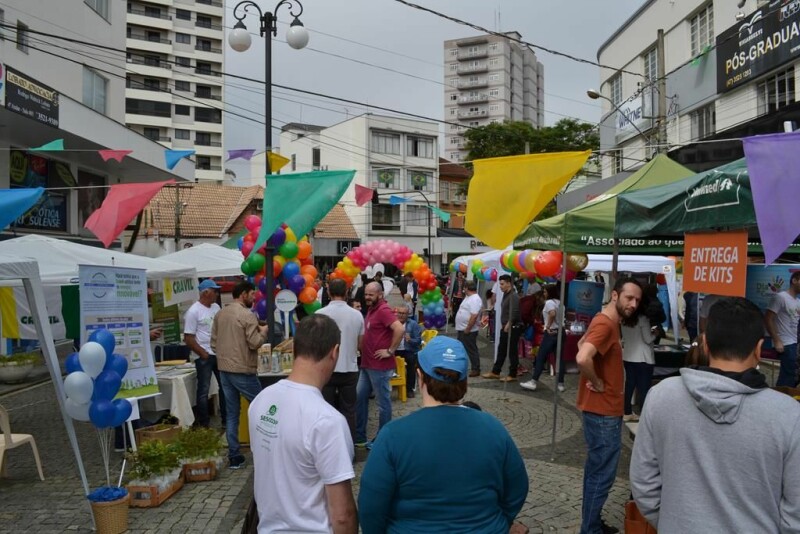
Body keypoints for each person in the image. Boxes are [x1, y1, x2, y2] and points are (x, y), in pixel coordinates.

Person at [630, 297, 800, 532]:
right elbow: (796, 510)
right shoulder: (789, 414)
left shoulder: (661, 396)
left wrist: (675, 523)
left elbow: (643, 482)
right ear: (759, 349)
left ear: (705, 344)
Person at [358, 336, 529, 533]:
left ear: (420, 377)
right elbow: (517, 488)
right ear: (464, 381)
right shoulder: (493, 428)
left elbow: (371, 507)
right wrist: (497, 521)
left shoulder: (392, 435)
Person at [248, 314, 358, 534]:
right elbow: (343, 516)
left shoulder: (261, 400)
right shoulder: (328, 420)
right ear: (335, 352)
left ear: (295, 348)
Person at [575, 277, 642, 534]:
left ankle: (591, 523)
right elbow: (582, 356)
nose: (633, 304)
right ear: (615, 295)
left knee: (597, 472)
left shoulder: (605, 320)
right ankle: (590, 529)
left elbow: (582, 344)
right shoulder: (606, 323)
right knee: (602, 475)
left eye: (637, 300)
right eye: (629, 298)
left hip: (601, 410)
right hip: (603, 412)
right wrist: (598, 382)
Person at [211, 280, 268, 469]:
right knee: (262, 407)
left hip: (224, 369)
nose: (254, 298)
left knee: (232, 413)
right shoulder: (247, 315)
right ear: (243, 294)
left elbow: (213, 343)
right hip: (242, 369)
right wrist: (264, 332)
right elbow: (254, 343)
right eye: (252, 294)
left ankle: (234, 455)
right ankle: (268, 449)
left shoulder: (220, 313)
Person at [355, 281, 405, 448]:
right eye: (366, 294)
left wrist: (390, 351)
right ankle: (360, 436)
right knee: (359, 397)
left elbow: (399, 329)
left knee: (383, 405)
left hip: (380, 367)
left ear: (380, 295)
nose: (367, 297)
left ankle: (383, 439)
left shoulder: (383, 309)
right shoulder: (372, 309)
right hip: (367, 365)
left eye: (371, 294)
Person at [316, 278, 364, 441]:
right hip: (349, 369)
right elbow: (360, 344)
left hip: (326, 370)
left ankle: (328, 447)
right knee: (349, 411)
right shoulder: (357, 315)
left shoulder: (319, 314)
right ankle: (349, 447)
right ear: (346, 292)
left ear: (328, 292)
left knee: (326, 410)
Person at [183, 279, 226, 428]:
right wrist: (203, 354)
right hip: (205, 355)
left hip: (218, 353)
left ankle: (226, 419)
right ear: (206, 292)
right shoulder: (193, 311)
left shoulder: (216, 307)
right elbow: (188, 338)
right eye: (215, 291)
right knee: (203, 390)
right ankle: (204, 423)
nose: (217, 293)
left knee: (224, 387)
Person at [521, 283, 566, 392]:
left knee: (541, 356)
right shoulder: (560, 303)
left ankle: (534, 381)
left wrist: (547, 326)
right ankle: (560, 383)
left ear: (550, 292)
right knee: (559, 358)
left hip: (551, 333)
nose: (544, 294)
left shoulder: (549, 302)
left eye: (545, 292)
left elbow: (552, 313)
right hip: (561, 331)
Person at [764, 270, 800, 386]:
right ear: (794, 280)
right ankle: (783, 398)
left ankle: (787, 397)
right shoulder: (780, 297)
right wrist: (776, 340)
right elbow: (768, 318)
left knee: (794, 374)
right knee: (789, 375)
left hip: (795, 342)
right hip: (785, 343)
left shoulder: (798, 301)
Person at [483, 274, 522, 382]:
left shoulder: (513, 295)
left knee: (512, 351)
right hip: (506, 326)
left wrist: (509, 324)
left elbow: (514, 311)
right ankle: (496, 371)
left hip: (512, 327)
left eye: (502, 284)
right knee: (502, 350)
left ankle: (513, 373)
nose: (500, 286)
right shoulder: (506, 294)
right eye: (500, 284)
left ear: (509, 283)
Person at [620, 304, 654, 422]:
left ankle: (627, 411)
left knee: (629, 385)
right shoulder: (643, 319)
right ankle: (644, 414)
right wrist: (656, 334)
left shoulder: (624, 319)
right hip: (643, 358)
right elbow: (648, 339)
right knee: (643, 388)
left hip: (628, 356)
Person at [456, 280, 483, 377]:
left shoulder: (475, 299)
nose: (463, 289)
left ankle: (476, 368)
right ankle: (460, 366)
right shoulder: (469, 297)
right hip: (462, 329)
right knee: (461, 349)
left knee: (471, 349)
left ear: (467, 288)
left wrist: (468, 328)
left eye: (464, 287)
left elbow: (474, 315)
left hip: (468, 330)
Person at [394, 306, 422, 398]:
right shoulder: (393, 323)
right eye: (400, 313)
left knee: (411, 363)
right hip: (395, 349)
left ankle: (409, 389)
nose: (401, 315)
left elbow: (418, 341)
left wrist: (410, 340)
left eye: (404, 313)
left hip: (408, 349)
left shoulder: (413, 324)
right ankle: (393, 383)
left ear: (408, 315)